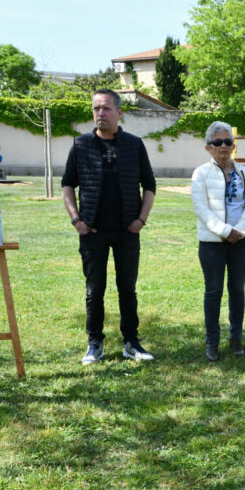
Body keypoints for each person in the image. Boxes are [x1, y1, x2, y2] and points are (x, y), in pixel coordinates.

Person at [62, 89, 156, 365]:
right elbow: (67, 184)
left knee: (127, 288)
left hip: (127, 230)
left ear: (119, 112)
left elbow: (149, 185)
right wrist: (76, 220)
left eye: (105, 109)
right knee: (95, 289)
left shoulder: (134, 145)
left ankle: (131, 342)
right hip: (92, 231)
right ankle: (95, 343)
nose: (100, 114)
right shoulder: (80, 145)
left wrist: (141, 220)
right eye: (96, 109)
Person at [191, 121, 245, 362]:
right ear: (208, 147)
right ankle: (212, 341)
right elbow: (202, 208)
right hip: (212, 243)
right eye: (217, 142)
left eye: (228, 141)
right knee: (213, 291)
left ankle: (236, 338)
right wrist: (224, 231)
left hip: (240, 241)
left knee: (237, 290)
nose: (223, 146)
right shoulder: (201, 173)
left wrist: (239, 231)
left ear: (233, 145)